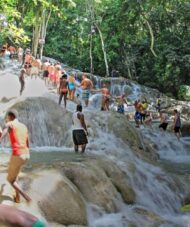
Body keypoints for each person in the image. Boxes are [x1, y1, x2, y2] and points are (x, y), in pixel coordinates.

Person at [0, 110, 31, 203]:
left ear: (10, 117)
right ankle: (17, 198)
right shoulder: (23, 126)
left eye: (7, 118)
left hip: (18, 154)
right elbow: (28, 143)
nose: (7, 119)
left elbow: (1, 138)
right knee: (15, 174)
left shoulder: (9, 124)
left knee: (10, 179)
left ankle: (26, 197)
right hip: (26, 154)